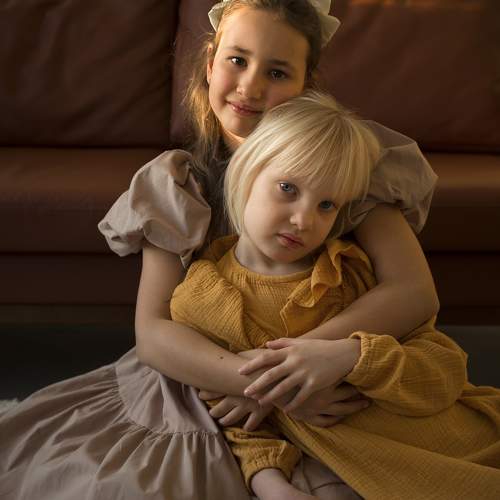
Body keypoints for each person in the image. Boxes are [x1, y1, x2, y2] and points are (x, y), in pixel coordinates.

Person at [0, 1, 446, 498]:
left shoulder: (348, 161)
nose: (250, 87)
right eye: (237, 60)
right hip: (208, 374)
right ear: (210, 64)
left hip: (325, 364)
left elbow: (413, 291)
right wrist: (266, 387)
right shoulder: (179, 182)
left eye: (277, 72)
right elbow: (154, 332)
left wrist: (304, 365)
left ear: (306, 85)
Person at [169, 90, 500, 500]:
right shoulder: (203, 300)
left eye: (326, 205)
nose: (304, 219)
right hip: (390, 479)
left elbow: (444, 371)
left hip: (470, 443)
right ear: (246, 173)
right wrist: (272, 485)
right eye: (288, 188)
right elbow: (233, 421)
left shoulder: (349, 272)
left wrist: (351, 356)